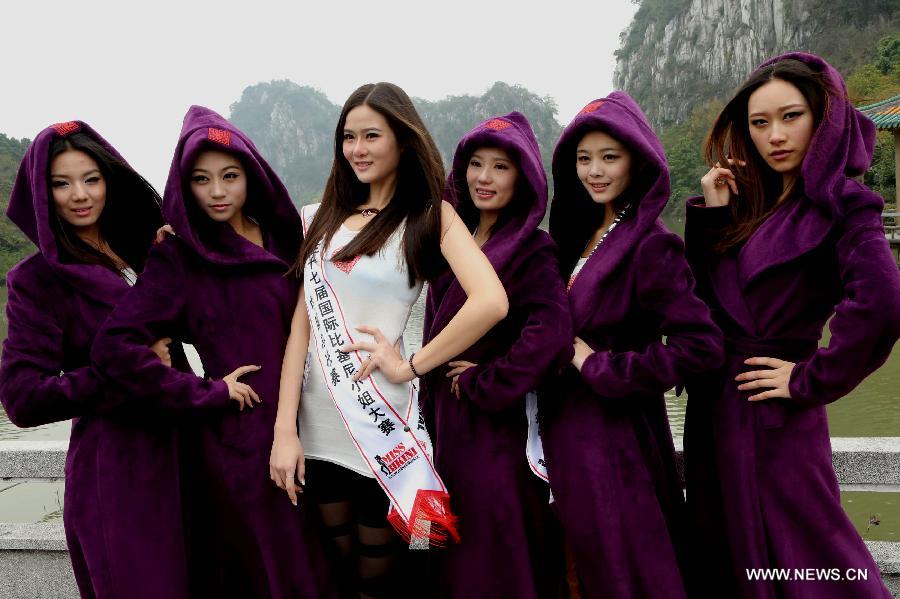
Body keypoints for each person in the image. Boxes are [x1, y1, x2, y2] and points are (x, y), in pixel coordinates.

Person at [269, 82, 509, 598]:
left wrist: (412, 365)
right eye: (349, 137)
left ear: (403, 140)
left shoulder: (430, 217)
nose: (357, 148)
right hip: (317, 426)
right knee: (341, 568)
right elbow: (301, 328)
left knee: (390, 575)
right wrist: (284, 429)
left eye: (371, 135)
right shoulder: (316, 217)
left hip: (384, 427)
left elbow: (491, 301)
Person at [91, 106, 333, 598]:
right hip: (247, 439)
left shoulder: (287, 236)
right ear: (185, 186)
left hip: (320, 423)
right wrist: (203, 391)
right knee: (274, 571)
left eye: (229, 176)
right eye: (201, 180)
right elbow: (114, 346)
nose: (217, 191)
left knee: (328, 562)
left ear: (252, 176)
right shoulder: (179, 256)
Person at [683, 52, 899, 598]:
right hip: (718, 410)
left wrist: (810, 379)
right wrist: (714, 214)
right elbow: (704, 308)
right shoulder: (757, 204)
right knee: (733, 551)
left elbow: (882, 303)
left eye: (791, 116)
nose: (774, 135)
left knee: (811, 555)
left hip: (776, 414)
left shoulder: (845, 204)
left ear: (824, 119)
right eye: (759, 123)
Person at [541, 92, 724, 598]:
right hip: (562, 432)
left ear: (636, 161)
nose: (594, 171)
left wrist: (598, 365)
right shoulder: (579, 240)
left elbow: (700, 346)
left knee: (621, 568)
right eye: (583, 159)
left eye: (609, 157)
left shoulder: (651, 244)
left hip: (616, 440)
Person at [0, 121, 190, 598]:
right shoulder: (36, 280)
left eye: (91, 179)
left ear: (110, 180)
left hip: (187, 454)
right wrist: (124, 370)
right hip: (119, 473)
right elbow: (23, 400)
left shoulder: (139, 252)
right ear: (42, 195)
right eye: (61, 183)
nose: (79, 195)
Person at [419, 111, 571, 598]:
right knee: (453, 545)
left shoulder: (533, 249)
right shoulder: (449, 243)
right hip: (444, 423)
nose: (484, 178)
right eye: (476, 164)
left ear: (523, 177)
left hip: (495, 428)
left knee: (496, 546)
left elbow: (552, 333)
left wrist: (490, 380)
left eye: (500, 167)